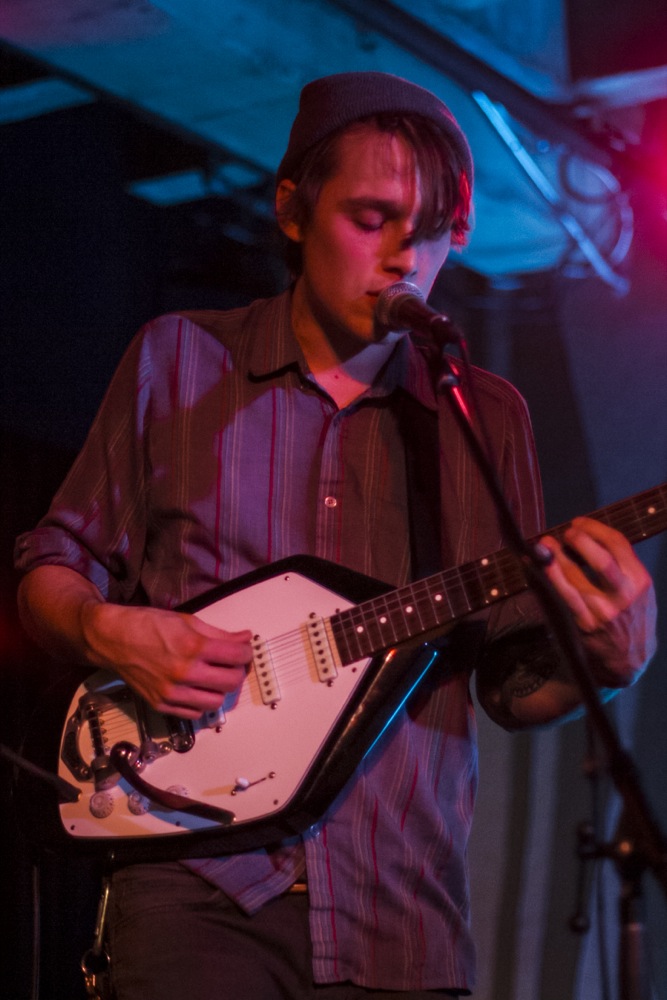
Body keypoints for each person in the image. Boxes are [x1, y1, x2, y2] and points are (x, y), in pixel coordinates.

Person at [14, 71, 657, 999]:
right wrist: (109, 630)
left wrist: (604, 659)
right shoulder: (180, 358)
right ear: (292, 210)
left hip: (400, 911)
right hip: (198, 885)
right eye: (370, 218)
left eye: (431, 230)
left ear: (459, 236)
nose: (404, 256)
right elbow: (52, 560)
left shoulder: (486, 419)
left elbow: (509, 687)